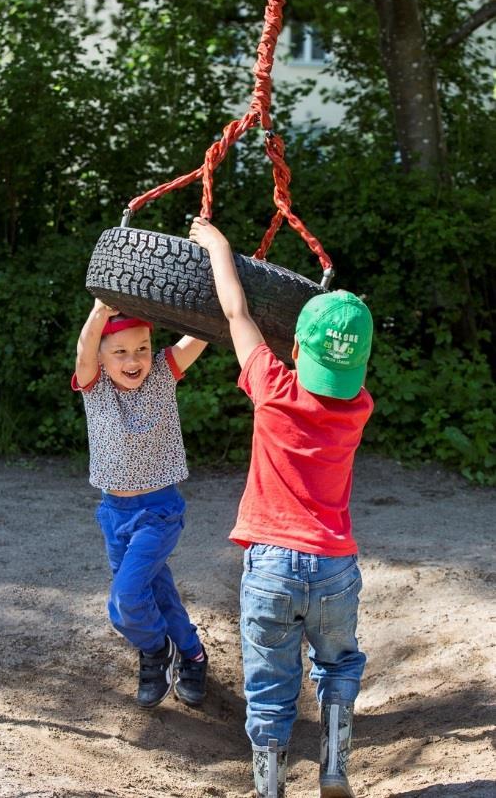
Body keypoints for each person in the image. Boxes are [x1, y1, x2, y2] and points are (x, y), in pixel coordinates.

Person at [189, 217, 374, 798]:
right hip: (334, 568)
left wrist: (220, 247)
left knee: (270, 682)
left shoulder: (271, 384)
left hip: (270, 567)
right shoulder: (358, 407)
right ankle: (335, 765)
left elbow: (237, 315)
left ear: (294, 349)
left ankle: (269, 788)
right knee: (339, 663)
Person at [72, 298, 209, 709]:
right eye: (120, 352)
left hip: (159, 511)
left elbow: (201, 336)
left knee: (126, 599)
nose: (133, 360)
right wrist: (98, 310)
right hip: (114, 514)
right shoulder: (94, 388)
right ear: (101, 356)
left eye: (142, 349)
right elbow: (83, 351)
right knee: (157, 592)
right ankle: (192, 654)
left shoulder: (163, 374)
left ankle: (155, 650)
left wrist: (221, 298)